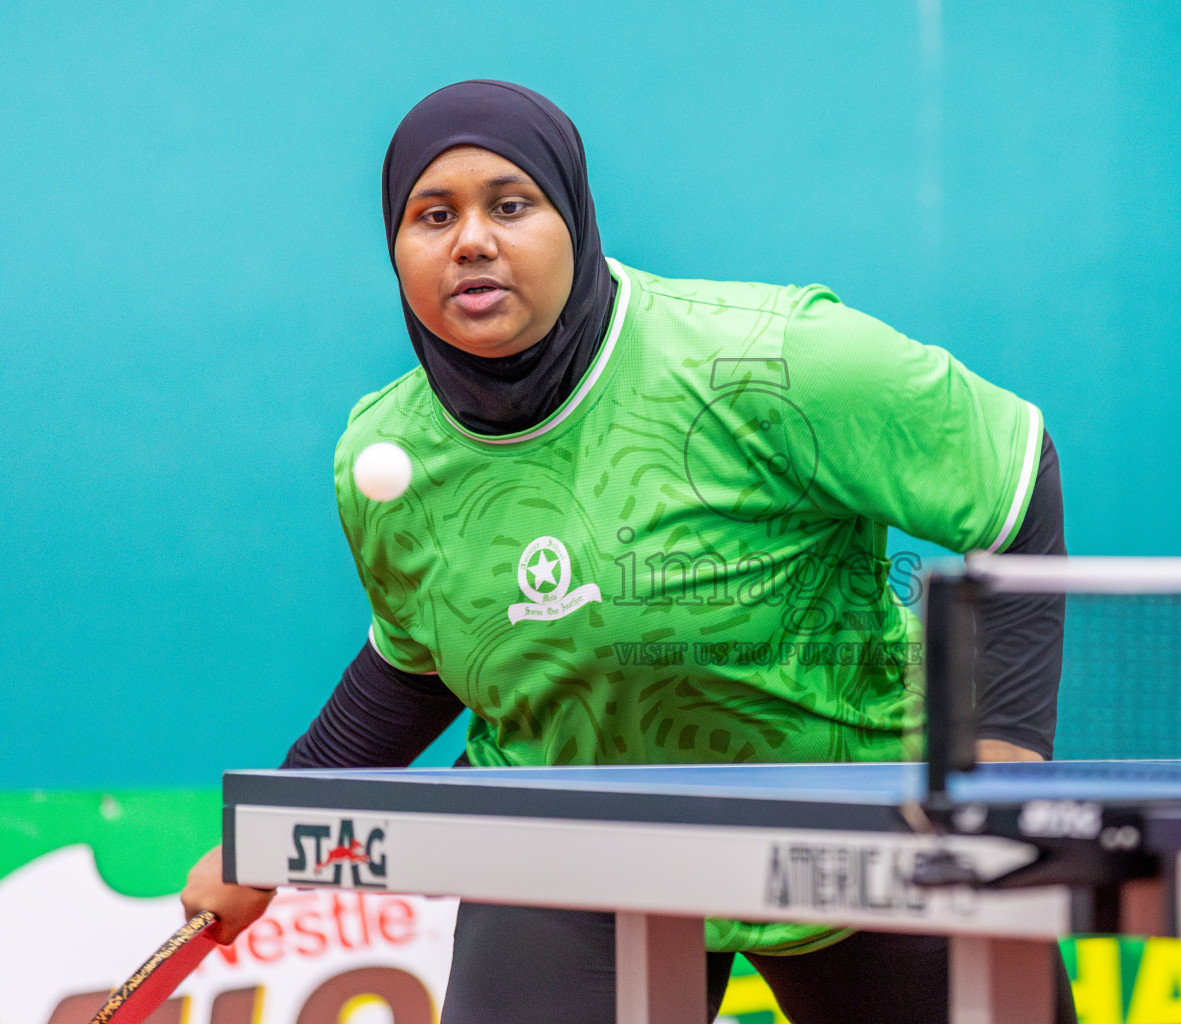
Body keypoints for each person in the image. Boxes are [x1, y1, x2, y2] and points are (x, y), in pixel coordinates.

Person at [181, 80, 1066, 1024]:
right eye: (432, 216)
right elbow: (417, 665)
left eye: (510, 206)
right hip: (570, 837)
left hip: (859, 816)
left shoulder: (770, 360)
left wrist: (1002, 760)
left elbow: (1010, 483)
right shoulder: (386, 458)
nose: (470, 240)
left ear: (574, 219)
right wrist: (262, 837)